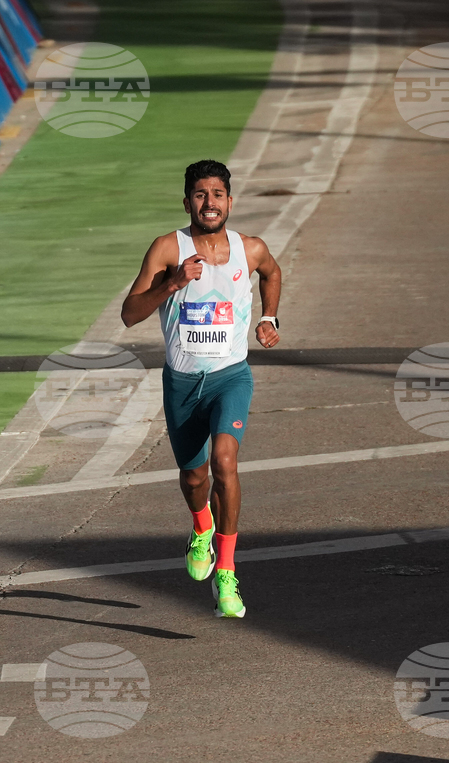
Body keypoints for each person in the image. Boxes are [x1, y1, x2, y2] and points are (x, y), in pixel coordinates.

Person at [121, 160, 281, 618]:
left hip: (231, 376)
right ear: (187, 200)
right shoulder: (168, 248)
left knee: (224, 462)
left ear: (230, 201)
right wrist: (173, 282)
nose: (208, 203)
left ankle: (227, 576)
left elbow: (272, 273)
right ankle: (200, 528)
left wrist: (269, 318)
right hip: (183, 383)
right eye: (199, 194)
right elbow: (130, 313)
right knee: (194, 477)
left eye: (217, 194)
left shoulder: (249, 249)